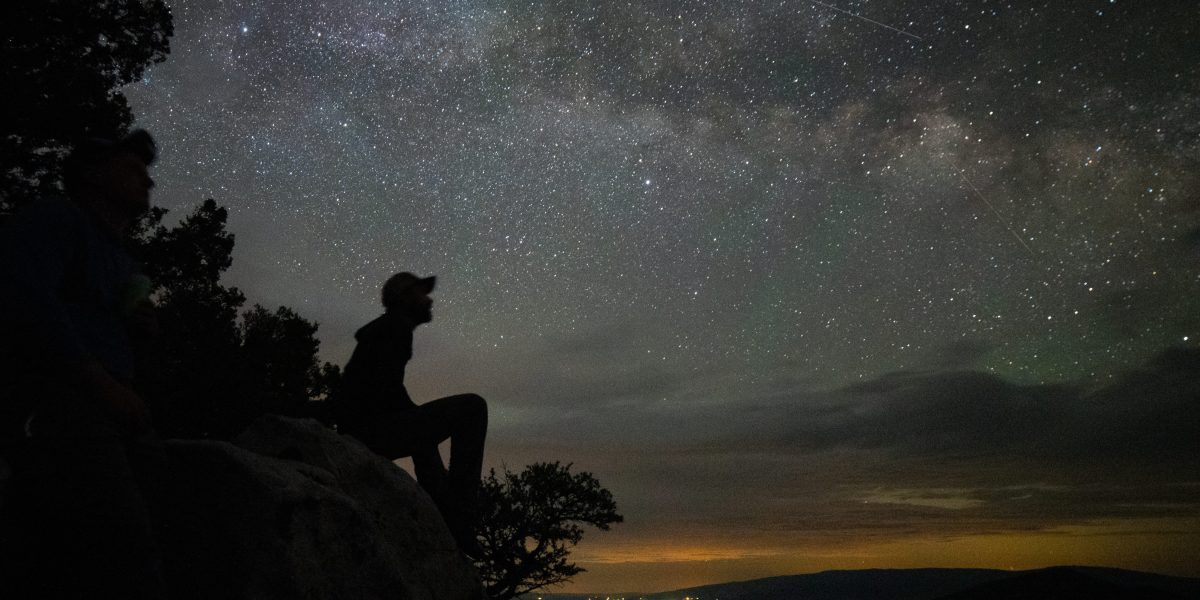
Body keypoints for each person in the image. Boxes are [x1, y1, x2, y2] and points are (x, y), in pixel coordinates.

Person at [0, 130, 167, 598]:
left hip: (113, 407)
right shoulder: (58, 219)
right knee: (120, 548)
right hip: (60, 400)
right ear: (93, 173)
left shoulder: (121, 258)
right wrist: (101, 385)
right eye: (132, 169)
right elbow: (25, 301)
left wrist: (140, 333)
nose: (147, 182)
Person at [334, 272, 488, 555]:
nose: (429, 300)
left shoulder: (389, 329)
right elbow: (382, 393)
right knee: (473, 408)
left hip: (365, 428)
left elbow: (388, 392)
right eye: (421, 293)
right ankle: (460, 519)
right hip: (369, 432)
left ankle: (445, 509)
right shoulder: (393, 328)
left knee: (421, 424)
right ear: (404, 298)